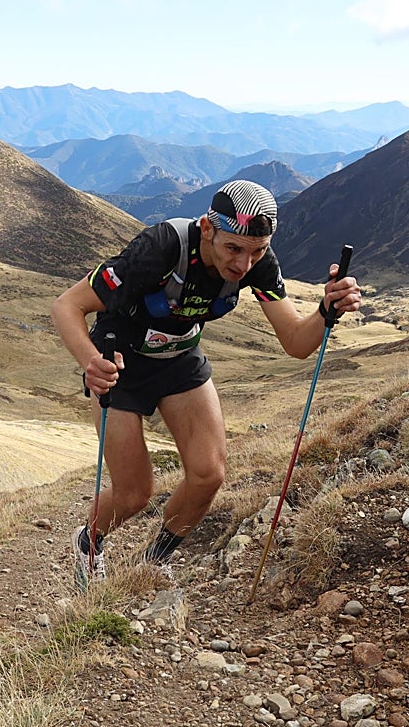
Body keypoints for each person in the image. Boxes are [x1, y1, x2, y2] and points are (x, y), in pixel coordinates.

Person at [51, 179, 362, 588]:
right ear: (207, 228)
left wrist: (326, 310)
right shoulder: (161, 247)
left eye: (257, 251)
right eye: (234, 249)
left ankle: (151, 562)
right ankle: (88, 542)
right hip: (120, 365)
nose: (243, 265)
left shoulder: (258, 266)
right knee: (133, 494)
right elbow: (67, 306)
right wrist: (92, 362)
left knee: (208, 475)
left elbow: (295, 342)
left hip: (179, 360)